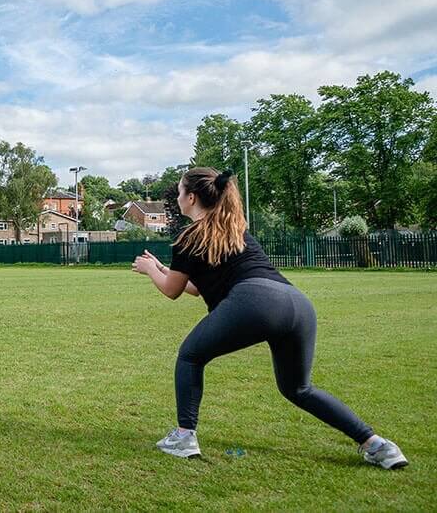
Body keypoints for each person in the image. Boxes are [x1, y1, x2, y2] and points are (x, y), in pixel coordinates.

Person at [132, 167, 408, 469]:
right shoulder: (235, 231)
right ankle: (378, 445)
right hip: (297, 305)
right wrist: (161, 268)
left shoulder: (190, 236)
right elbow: (195, 288)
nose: (177, 197)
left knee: (190, 356)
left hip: (254, 301)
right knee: (298, 389)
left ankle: (184, 437)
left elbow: (172, 290)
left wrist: (149, 271)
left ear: (192, 197)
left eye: (179, 191)